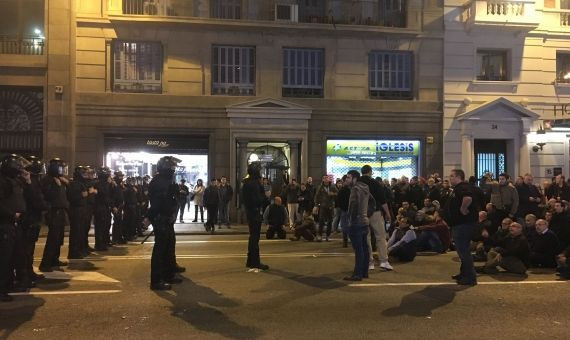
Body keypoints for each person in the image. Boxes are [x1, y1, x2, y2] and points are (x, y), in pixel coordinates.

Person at [147, 156, 184, 291]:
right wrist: (150, 217)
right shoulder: (159, 182)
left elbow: (170, 200)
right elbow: (158, 204)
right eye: (171, 168)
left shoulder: (166, 181)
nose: (173, 170)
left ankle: (168, 274)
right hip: (161, 218)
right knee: (160, 250)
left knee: (168, 246)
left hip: (167, 218)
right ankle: (156, 280)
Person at [0, 154, 29, 302]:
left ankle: (8, 284)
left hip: (15, 224)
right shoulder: (3, 181)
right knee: (4, 257)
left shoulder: (14, 181)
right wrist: (12, 214)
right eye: (17, 165)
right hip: (5, 223)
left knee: (14, 255)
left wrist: (27, 180)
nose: (21, 168)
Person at [443, 169, 478, 286]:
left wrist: (463, 209)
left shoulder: (463, 187)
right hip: (459, 224)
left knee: (463, 252)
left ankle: (470, 277)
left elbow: (467, 198)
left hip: (463, 225)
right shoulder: (457, 188)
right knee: (463, 251)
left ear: (459, 177)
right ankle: (464, 273)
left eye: (452, 176)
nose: (450, 178)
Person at [20, 157, 48, 287]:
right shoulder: (27, 181)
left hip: (34, 218)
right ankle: (23, 276)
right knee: (25, 250)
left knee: (30, 249)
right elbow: (35, 199)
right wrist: (44, 206)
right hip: (28, 218)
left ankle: (29, 272)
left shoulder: (35, 180)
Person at [359, 165, 393, 271]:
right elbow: (382, 200)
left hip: (361, 213)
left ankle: (369, 262)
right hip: (375, 212)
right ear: (370, 172)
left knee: (366, 238)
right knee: (380, 237)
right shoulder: (375, 183)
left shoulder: (357, 183)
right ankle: (384, 261)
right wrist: (388, 213)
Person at [39, 158, 70, 272]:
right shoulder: (47, 180)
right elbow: (48, 196)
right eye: (60, 167)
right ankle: (46, 263)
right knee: (53, 238)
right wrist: (56, 186)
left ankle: (54, 259)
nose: (62, 169)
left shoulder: (59, 179)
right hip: (54, 211)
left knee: (59, 238)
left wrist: (66, 183)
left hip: (61, 211)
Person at [344, 170, 373, 281]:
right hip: (364, 222)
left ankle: (357, 274)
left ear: (354, 178)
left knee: (359, 250)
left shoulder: (355, 189)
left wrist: (351, 219)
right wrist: (366, 214)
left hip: (356, 223)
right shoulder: (365, 187)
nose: (346, 179)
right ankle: (364, 272)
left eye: (348, 177)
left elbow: (353, 205)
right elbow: (372, 202)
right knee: (364, 248)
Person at [241, 162, 269, 271]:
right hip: (254, 212)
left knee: (252, 237)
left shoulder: (248, 182)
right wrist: (264, 196)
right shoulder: (253, 183)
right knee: (254, 238)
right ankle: (255, 262)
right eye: (259, 170)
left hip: (251, 212)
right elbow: (257, 200)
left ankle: (250, 261)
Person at [67, 166, 90, 259]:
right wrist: (81, 195)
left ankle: (79, 250)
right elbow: (71, 197)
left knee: (80, 231)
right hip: (76, 210)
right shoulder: (74, 183)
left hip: (81, 210)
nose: (85, 175)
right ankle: (73, 252)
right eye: (83, 173)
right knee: (76, 232)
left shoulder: (81, 183)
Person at [94, 167, 113, 251]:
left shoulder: (106, 184)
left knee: (106, 225)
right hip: (100, 207)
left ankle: (104, 242)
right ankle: (99, 244)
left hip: (105, 207)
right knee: (100, 227)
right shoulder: (99, 183)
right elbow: (103, 195)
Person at [314, 175, 338, 241]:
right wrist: (316, 205)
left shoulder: (332, 186)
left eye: (327, 178)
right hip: (322, 206)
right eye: (324, 178)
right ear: (322, 180)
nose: (326, 179)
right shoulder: (320, 187)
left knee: (330, 221)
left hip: (330, 206)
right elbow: (316, 197)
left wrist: (333, 194)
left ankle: (328, 236)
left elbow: (338, 193)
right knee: (321, 221)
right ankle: (319, 235)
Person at [111, 171, 125, 245]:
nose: (121, 178)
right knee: (116, 222)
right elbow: (112, 196)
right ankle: (115, 238)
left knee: (119, 222)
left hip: (120, 205)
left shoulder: (119, 184)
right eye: (120, 176)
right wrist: (113, 206)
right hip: (116, 205)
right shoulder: (113, 184)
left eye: (122, 176)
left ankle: (119, 237)